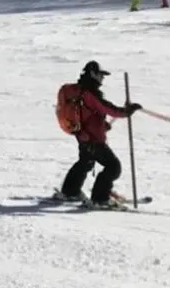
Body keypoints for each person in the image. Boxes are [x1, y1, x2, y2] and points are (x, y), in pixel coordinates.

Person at [57, 60, 141, 207]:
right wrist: (126, 112)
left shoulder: (78, 91)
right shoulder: (90, 94)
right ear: (93, 74)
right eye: (100, 75)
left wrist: (102, 125)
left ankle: (70, 191)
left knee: (85, 162)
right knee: (113, 167)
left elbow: (88, 114)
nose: (102, 79)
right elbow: (108, 108)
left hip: (82, 135)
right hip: (93, 139)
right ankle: (100, 198)